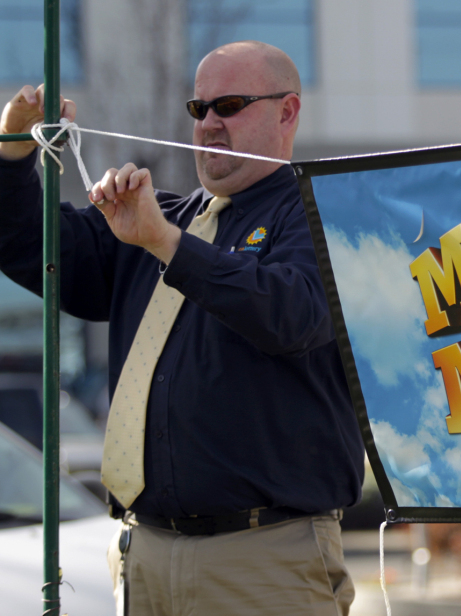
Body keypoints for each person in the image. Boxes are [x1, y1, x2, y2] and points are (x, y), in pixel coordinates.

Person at [0, 41, 365, 615]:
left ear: (287, 112)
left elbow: (293, 314)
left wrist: (166, 244)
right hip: (143, 554)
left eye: (231, 104)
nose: (210, 124)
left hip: (265, 561)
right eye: (199, 110)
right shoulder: (155, 220)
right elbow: (27, 247)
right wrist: (13, 151)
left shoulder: (322, 213)